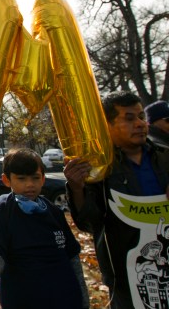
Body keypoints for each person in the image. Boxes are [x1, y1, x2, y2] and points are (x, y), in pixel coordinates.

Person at [65, 91, 169, 308]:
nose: (140, 124)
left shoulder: (165, 156)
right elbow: (88, 223)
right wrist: (77, 188)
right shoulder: (98, 170)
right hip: (127, 279)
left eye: (141, 116)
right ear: (107, 125)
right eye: (129, 118)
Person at [0, 148, 88, 309]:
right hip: (24, 299)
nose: (29, 184)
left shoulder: (53, 211)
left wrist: (83, 300)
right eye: (21, 179)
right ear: (6, 180)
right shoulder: (1, 210)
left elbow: (72, 257)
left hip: (66, 298)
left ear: (43, 179)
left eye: (35, 178)